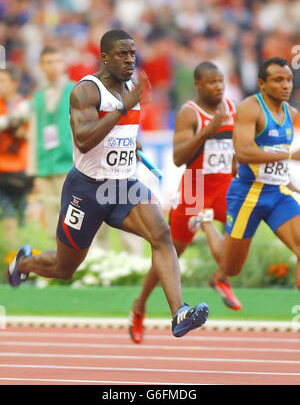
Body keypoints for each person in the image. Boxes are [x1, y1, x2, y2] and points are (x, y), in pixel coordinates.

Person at [7, 29, 209, 339]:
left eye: (133, 53)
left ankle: (179, 312)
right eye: (122, 54)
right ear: (104, 57)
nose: (130, 59)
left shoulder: (132, 86)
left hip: (123, 185)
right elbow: (84, 140)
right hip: (87, 190)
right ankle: (24, 263)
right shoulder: (86, 91)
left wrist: (132, 142)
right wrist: (123, 107)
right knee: (65, 268)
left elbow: (122, 128)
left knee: (162, 235)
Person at [129, 61, 241, 344]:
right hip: (195, 187)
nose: (218, 87)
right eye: (212, 82)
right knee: (169, 255)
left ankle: (220, 277)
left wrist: (239, 170)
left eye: (221, 82)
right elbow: (178, 157)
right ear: (198, 85)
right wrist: (207, 131)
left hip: (225, 185)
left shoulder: (232, 108)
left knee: (241, 237)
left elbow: (234, 148)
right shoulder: (189, 113)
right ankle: (140, 305)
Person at [188, 57, 300, 307]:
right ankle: (205, 223)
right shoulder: (250, 108)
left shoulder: (291, 113)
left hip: (278, 193)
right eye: (278, 80)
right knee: (232, 267)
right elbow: (244, 153)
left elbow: (275, 157)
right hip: (248, 195)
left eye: (289, 80)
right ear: (261, 83)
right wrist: (291, 155)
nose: (286, 86)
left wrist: (290, 181)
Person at [31, 47, 74, 239]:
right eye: (48, 62)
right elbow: (33, 134)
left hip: (69, 164)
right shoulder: (38, 97)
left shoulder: (76, 90)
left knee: (74, 221)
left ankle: (82, 266)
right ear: (41, 66)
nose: (53, 66)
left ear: (64, 64)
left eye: (57, 61)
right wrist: (33, 170)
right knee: (51, 224)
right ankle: (58, 267)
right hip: (44, 166)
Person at [0, 65, 33, 246]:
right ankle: (9, 258)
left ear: (15, 83)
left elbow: (36, 137)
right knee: (9, 217)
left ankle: (17, 256)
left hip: (20, 170)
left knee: (20, 218)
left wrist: (23, 133)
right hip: (1, 170)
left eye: (2, 81)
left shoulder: (28, 103)